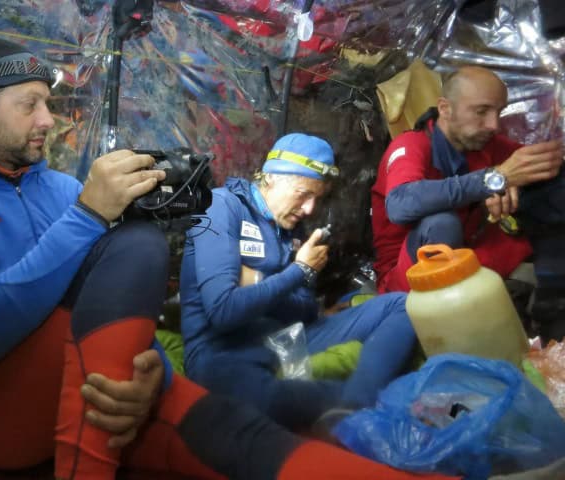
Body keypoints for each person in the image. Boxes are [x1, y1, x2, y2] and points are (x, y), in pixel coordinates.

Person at [0, 37, 458, 480]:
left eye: (49, 104)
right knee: (134, 243)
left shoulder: (57, 188)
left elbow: (110, 306)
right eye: (29, 104)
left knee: (239, 435)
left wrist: (152, 365)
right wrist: (89, 217)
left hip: (92, 386)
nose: (47, 120)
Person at [179, 132, 419, 433]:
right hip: (222, 352)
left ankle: (354, 406)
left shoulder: (290, 229)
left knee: (401, 305)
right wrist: (298, 271)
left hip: (283, 338)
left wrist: (258, 280)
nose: (309, 209)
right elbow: (224, 312)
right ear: (271, 178)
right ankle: (353, 409)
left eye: (317, 198)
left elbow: (304, 310)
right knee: (271, 404)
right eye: (303, 194)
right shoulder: (220, 208)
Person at [371, 65, 565, 341]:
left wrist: (518, 184)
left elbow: (539, 165)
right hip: (409, 281)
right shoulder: (411, 145)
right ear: (445, 108)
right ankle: (451, 336)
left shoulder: (484, 144)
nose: (494, 124)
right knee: (441, 223)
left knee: (551, 189)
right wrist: (494, 180)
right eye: (481, 111)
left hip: (471, 254)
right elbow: (401, 204)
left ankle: (553, 316)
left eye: (498, 112)